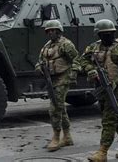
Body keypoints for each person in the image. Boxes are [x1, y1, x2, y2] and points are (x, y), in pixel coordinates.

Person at [75, 19, 118, 161]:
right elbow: (82, 60)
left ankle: (102, 152)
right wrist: (90, 70)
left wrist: (116, 81)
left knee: (109, 121)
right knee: (116, 120)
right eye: (103, 34)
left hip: (117, 91)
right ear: (98, 35)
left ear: (114, 33)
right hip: (101, 89)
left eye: (109, 33)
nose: (107, 36)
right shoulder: (94, 47)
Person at [35, 20, 78, 152]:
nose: (51, 33)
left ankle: (56, 136)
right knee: (60, 107)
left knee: (54, 108)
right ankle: (67, 137)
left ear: (59, 31)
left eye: (53, 30)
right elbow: (40, 61)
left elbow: (76, 59)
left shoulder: (66, 44)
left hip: (63, 78)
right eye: (49, 31)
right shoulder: (47, 46)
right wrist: (39, 67)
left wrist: (73, 74)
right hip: (51, 79)